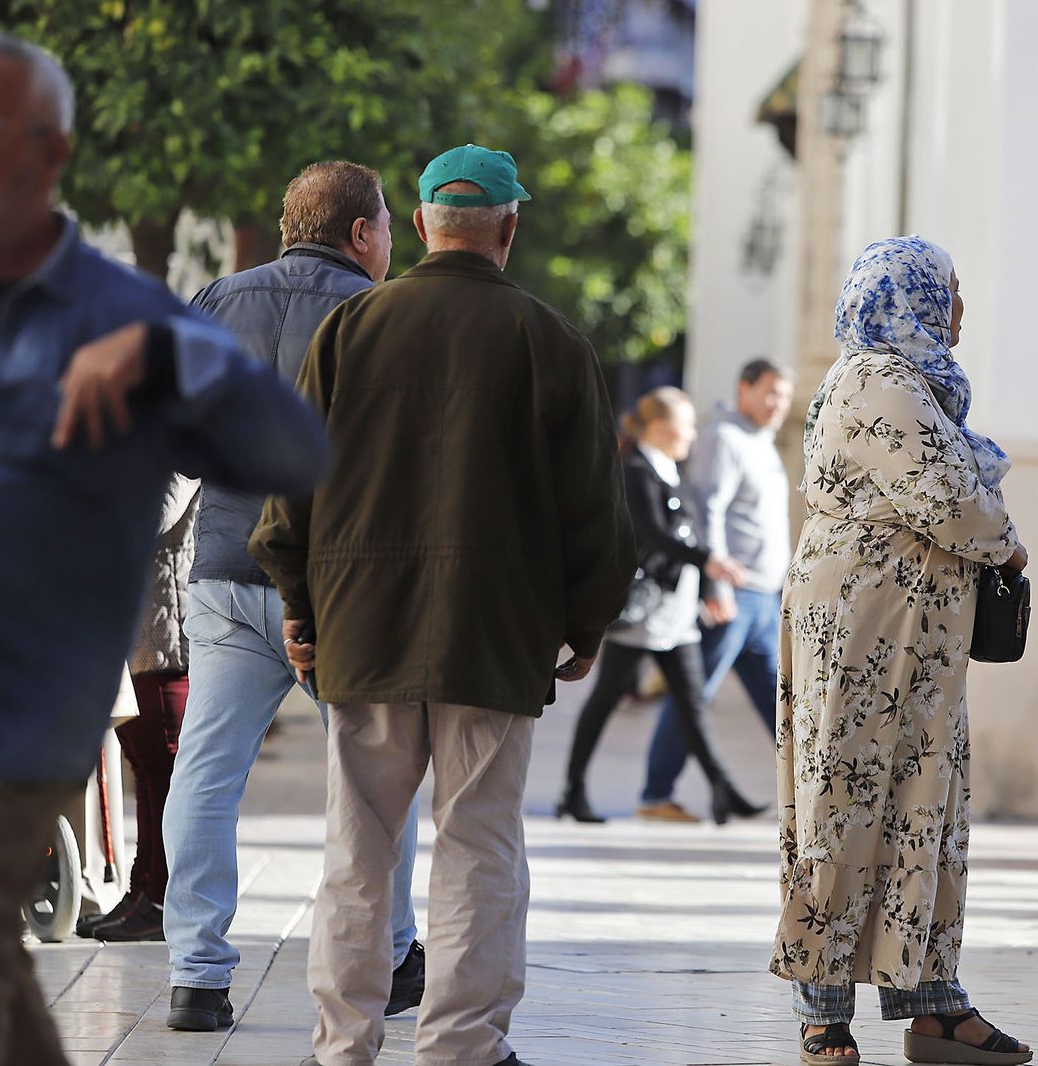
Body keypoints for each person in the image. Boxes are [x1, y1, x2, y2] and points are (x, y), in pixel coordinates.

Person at [0, 32, 327, 1066]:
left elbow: (293, 446)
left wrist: (173, 357)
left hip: (24, 693)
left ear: (49, 154)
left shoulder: (127, 310)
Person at [250, 143, 635, 1066]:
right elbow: (597, 512)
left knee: (359, 849)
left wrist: (300, 608)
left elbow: (287, 493)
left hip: (363, 632)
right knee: (479, 846)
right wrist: (585, 625)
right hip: (493, 639)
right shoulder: (550, 341)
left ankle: (342, 1045)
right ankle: (462, 1046)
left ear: (421, 225)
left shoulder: (349, 332)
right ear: (509, 226)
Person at [160, 160, 425, 1034]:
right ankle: (392, 952)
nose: (390, 241)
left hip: (228, 572)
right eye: (387, 225)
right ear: (361, 233)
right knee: (376, 772)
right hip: (341, 582)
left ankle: (196, 974)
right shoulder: (381, 314)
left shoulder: (215, 300)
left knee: (206, 768)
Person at [771, 237, 1033, 1065]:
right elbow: (953, 498)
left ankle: (934, 1002)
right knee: (844, 805)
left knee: (920, 806)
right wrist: (1010, 544)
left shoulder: (907, 380)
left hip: (909, 640)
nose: (961, 311)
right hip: (863, 633)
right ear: (908, 296)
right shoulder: (878, 380)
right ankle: (823, 1014)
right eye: (949, 292)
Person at [557, 387, 767, 826]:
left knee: (692, 703)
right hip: (644, 612)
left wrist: (708, 585)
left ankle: (722, 789)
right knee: (606, 700)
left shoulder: (668, 467)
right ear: (664, 428)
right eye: (688, 426)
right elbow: (651, 533)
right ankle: (572, 791)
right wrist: (710, 562)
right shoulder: (635, 468)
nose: (693, 435)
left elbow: (684, 535)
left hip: (676, 612)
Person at [638, 360, 794, 822]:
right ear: (743, 388)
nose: (778, 405)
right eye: (770, 393)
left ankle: (816, 794)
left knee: (780, 700)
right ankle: (655, 794)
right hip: (733, 597)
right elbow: (707, 512)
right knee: (693, 693)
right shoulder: (722, 439)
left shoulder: (760, 442)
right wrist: (715, 585)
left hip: (765, 598)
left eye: (784, 397)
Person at [77, 475, 201, 942]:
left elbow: (151, 513)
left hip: (164, 629)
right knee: (144, 767)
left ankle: (161, 896)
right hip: (133, 629)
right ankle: (143, 890)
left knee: (163, 768)